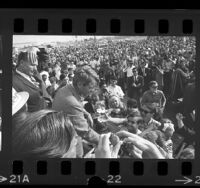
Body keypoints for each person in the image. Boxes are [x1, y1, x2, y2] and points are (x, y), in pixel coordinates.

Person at [52, 65, 100, 146]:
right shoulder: (71, 102)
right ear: (80, 84)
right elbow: (85, 132)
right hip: (65, 143)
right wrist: (105, 140)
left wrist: (85, 113)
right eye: (91, 88)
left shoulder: (68, 88)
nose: (92, 91)